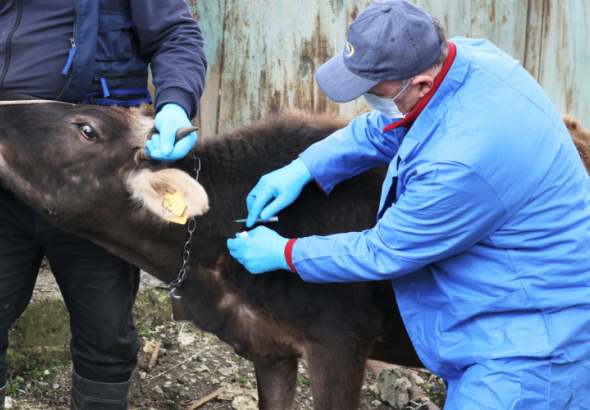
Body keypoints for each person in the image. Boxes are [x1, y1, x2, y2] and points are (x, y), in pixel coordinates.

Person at [226, 1, 590, 408]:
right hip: (517, 291)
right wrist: (304, 168)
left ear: (419, 83)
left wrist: (285, 253)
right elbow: (388, 126)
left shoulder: (458, 164)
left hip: (531, 345)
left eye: (374, 92)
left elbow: (383, 251)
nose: (367, 100)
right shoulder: (470, 60)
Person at [0, 1, 206, 408]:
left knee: (105, 332)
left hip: (95, 184)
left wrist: (176, 103)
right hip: (7, 172)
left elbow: (175, 35)